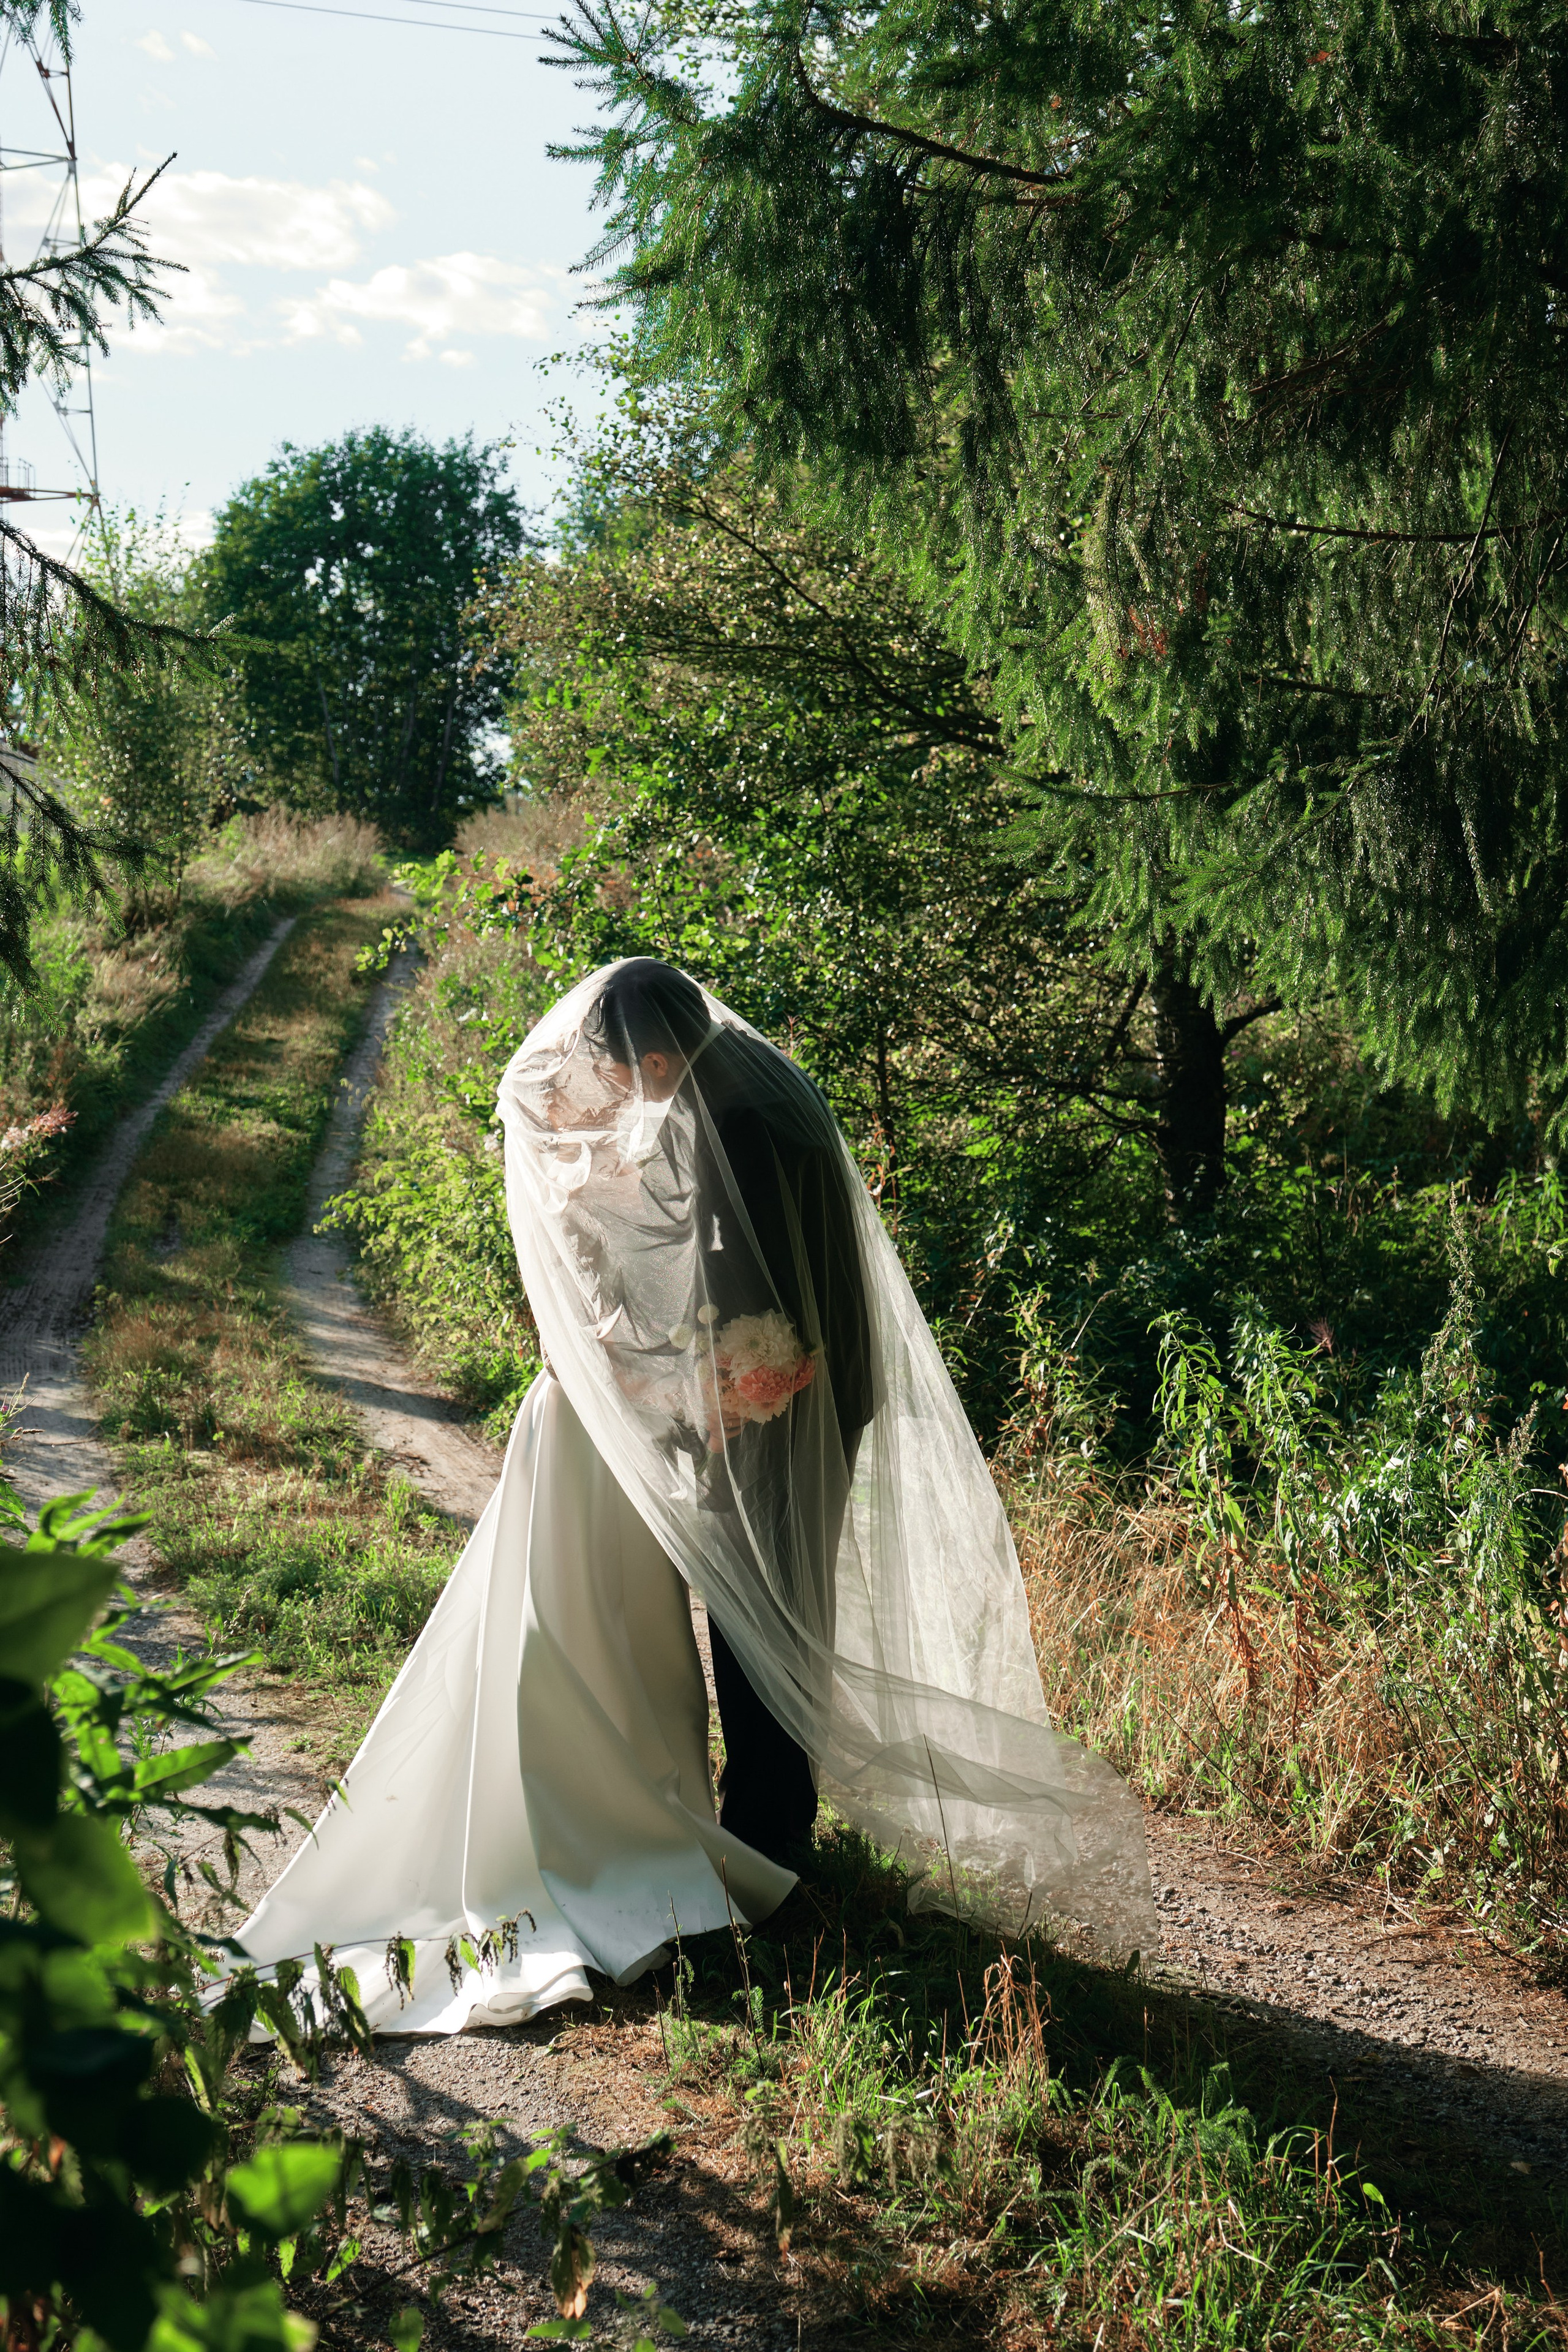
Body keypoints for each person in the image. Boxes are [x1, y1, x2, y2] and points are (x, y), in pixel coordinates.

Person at [233, 960, 1155, 2035]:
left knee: (762, 1607)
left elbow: (742, 1278)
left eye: (627, 1074)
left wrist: (707, 1383)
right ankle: (761, 1833)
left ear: (657, 1056)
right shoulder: (746, 1080)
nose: (625, 1095)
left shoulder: (745, 1119)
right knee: (764, 1598)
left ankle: (769, 1844)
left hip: (776, 1384)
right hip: (781, 1379)